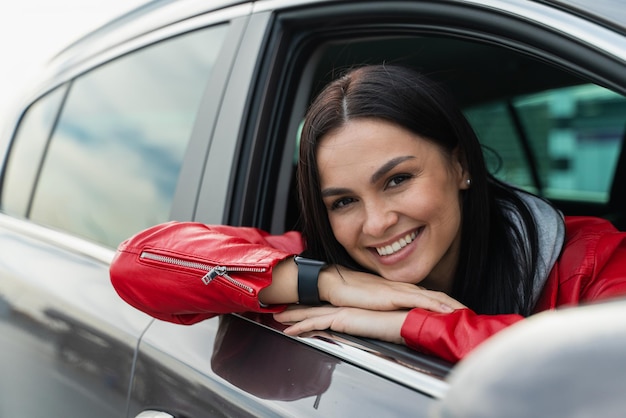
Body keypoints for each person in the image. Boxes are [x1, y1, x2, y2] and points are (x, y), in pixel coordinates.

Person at [109, 64, 626, 363]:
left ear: (462, 165)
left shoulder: (592, 261)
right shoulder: (319, 262)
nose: (376, 224)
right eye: (343, 202)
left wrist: (413, 325)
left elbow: (604, 369)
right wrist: (332, 284)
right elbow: (136, 263)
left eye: (398, 179)